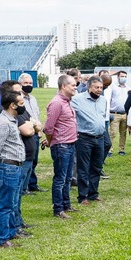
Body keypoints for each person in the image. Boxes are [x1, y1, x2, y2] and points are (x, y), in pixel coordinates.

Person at [0, 90, 29, 248]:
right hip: (7, 167)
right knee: (6, 205)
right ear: (12, 105)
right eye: (21, 103)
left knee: (13, 202)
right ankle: (2, 239)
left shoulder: (12, 120)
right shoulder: (3, 123)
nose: (23, 106)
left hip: (14, 167)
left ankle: (11, 232)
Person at [43, 75, 79, 219]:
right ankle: (58, 208)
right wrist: (52, 141)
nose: (75, 87)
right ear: (63, 86)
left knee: (68, 177)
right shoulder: (57, 103)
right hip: (61, 146)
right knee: (60, 178)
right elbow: (48, 128)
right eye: (72, 85)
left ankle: (66, 204)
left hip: (70, 144)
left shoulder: (67, 102)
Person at [71, 76, 107, 205]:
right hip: (84, 138)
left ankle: (93, 193)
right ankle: (82, 196)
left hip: (100, 138)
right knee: (83, 168)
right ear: (89, 87)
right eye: (96, 87)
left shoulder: (103, 100)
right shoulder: (77, 100)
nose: (99, 90)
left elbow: (103, 117)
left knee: (96, 167)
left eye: (101, 88)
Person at [18, 72, 45, 193]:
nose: (28, 85)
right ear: (20, 84)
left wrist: (39, 131)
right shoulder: (19, 99)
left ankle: (32, 184)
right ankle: (23, 187)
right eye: (25, 83)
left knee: (34, 160)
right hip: (26, 132)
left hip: (36, 133)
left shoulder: (33, 99)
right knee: (26, 161)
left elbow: (36, 116)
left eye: (30, 83)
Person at [109, 70, 131, 156]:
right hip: (114, 113)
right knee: (113, 133)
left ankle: (121, 149)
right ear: (118, 77)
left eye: (125, 76)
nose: (124, 78)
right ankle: (110, 150)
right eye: (122, 76)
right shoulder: (112, 87)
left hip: (124, 114)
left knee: (123, 133)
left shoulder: (128, 88)